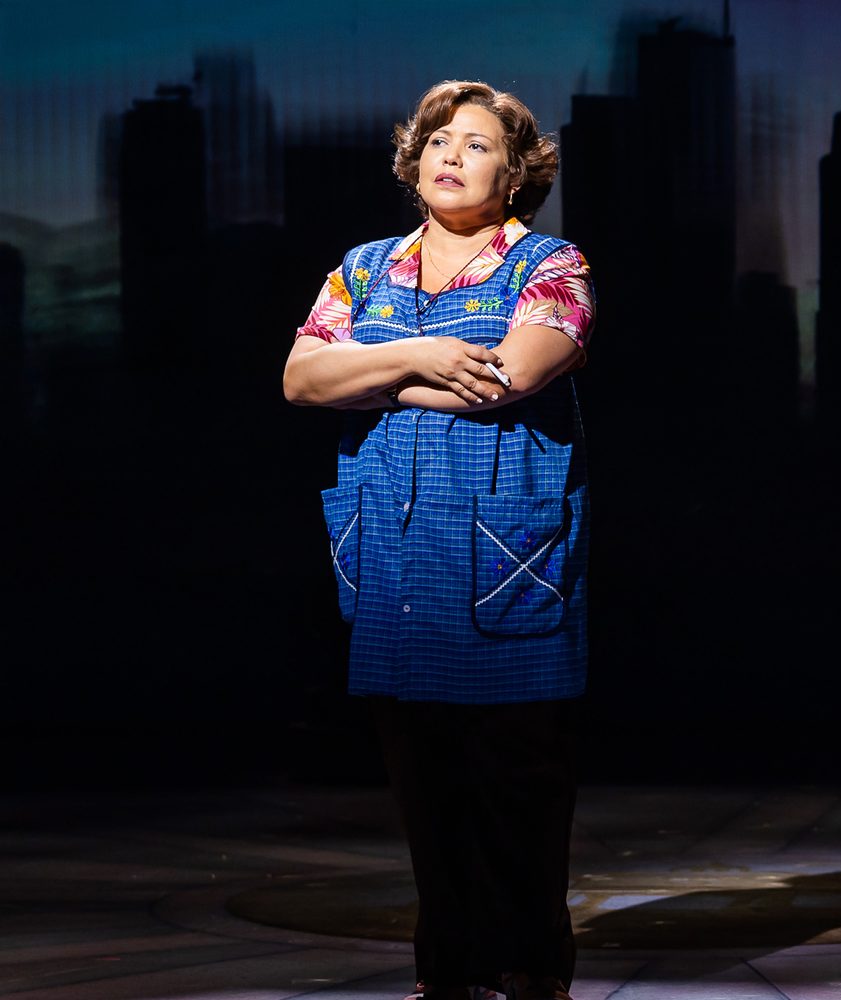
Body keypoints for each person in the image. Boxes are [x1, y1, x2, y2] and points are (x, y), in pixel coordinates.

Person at [282, 79, 594, 1000]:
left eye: (478, 144)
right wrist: (419, 358)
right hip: (397, 555)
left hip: (504, 558)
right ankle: (449, 975)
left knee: (518, 785)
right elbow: (300, 379)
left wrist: (364, 378)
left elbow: (510, 375)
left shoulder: (550, 264)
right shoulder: (364, 270)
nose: (452, 155)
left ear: (516, 173)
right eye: (438, 142)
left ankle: (529, 971)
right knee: (424, 784)